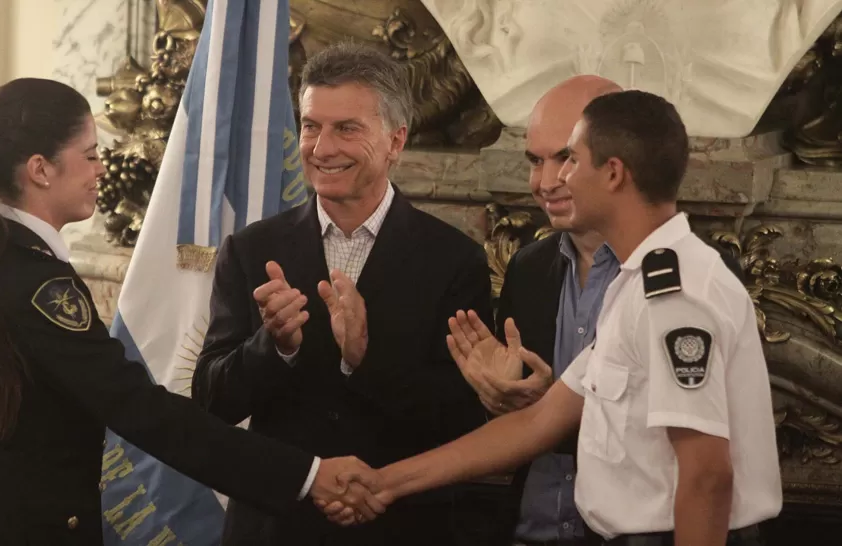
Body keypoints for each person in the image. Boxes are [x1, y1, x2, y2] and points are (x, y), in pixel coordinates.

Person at [0, 77, 383, 546]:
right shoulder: (41, 286)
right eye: (89, 155)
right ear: (40, 170)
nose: (101, 169)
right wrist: (307, 475)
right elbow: (141, 409)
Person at [351, 90, 784, 546]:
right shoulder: (636, 281)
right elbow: (539, 423)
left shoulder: (676, 293)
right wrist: (386, 482)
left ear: (613, 173)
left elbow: (706, 475)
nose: (555, 179)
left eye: (571, 160)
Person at [192, 42, 494, 545]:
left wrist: (363, 357)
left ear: (396, 141)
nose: (321, 147)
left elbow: (463, 420)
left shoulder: (455, 260)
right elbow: (211, 400)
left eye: (347, 129)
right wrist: (276, 346)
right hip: (274, 530)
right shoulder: (250, 250)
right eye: (311, 125)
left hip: (402, 528)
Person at [451, 75, 622, 546]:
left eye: (565, 158)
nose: (545, 183)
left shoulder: (684, 272)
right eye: (534, 161)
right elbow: (506, 435)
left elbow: (687, 450)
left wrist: (545, 414)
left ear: (619, 162)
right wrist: (495, 400)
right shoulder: (528, 269)